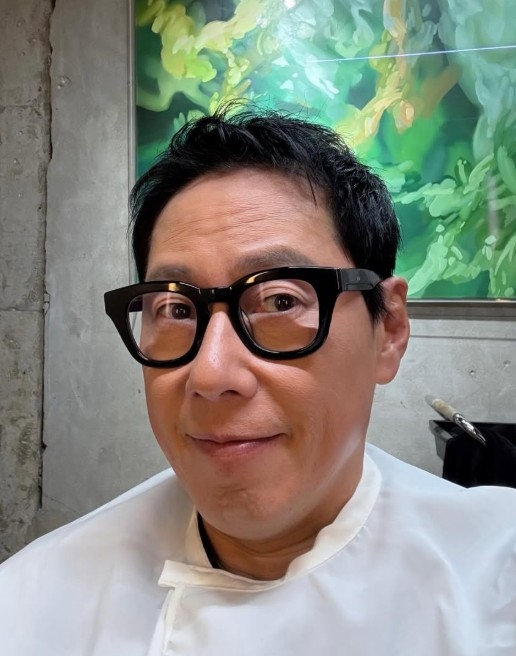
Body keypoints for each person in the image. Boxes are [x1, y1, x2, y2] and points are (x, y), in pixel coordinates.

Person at [1, 106, 515, 655]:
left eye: (280, 301)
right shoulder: (30, 605)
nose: (211, 374)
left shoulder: (494, 579)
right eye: (176, 309)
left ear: (388, 329)